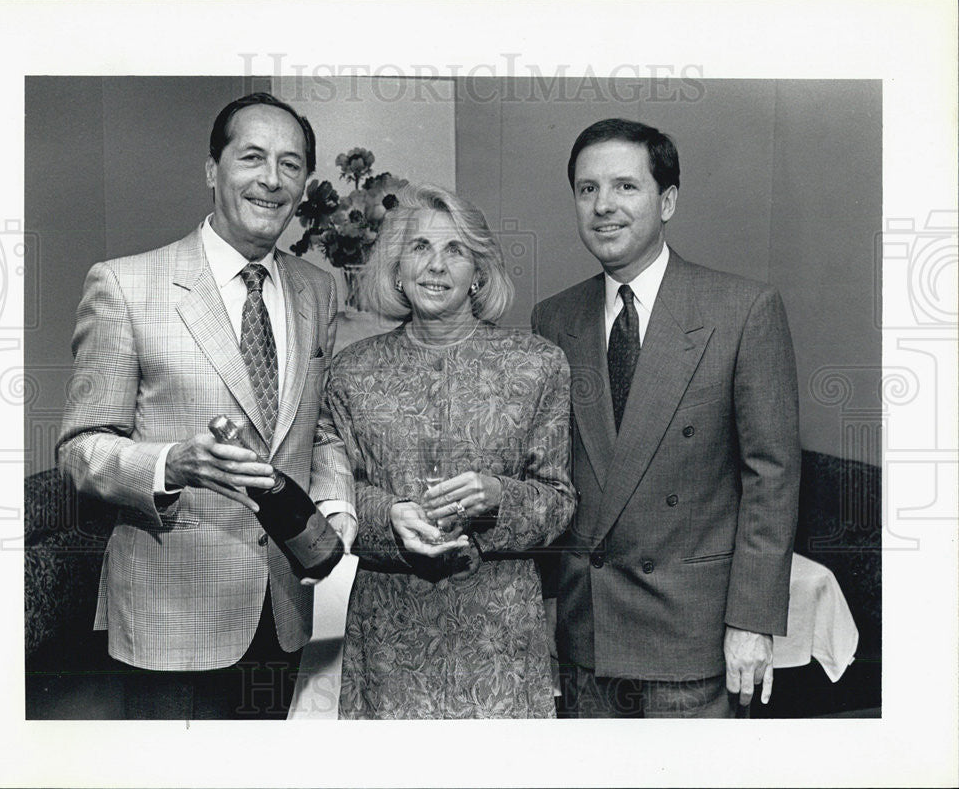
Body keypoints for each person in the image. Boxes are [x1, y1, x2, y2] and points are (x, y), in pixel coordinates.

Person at [57, 93, 356, 719]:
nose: (271, 179)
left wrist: (336, 502)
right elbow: (81, 450)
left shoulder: (318, 288)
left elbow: (320, 427)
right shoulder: (124, 284)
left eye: (291, 164)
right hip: (172, 620)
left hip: (281, 614)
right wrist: (173, 464)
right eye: (251, 157)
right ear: (211, 170)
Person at [532, 118, 800, 718]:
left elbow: (772, 478)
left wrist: (752, 623)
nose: (604, 206)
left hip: (694, 640)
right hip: (588, 634)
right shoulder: (554, 319)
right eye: (586, 189)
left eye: (626, 186)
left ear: (668, 200)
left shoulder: (743, 309)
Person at [326, 183, 575, 719]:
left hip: (499, 635)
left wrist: (498, 497)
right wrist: (386, 517)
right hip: (390, 629)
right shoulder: (351, 371)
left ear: (479, 273)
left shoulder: (537, 365)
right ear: (395, 270)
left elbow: (559, 500)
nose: (436, 265)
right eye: (419, 248)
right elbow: (334, 491)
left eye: (455, 249)